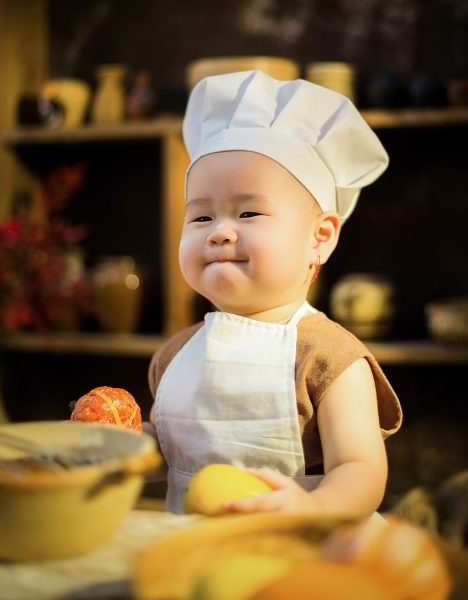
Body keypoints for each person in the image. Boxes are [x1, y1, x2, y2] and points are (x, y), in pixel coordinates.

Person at [145, 69, 403, 517]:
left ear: (319, 237)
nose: (220, 233)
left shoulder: (329, 357)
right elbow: (169, 453)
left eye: (248, 212)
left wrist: (315, 509)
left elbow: (359, 468)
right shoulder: (175, 356)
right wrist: (127, 447)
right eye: (201, 218)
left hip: (301, 551)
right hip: (195, 550)